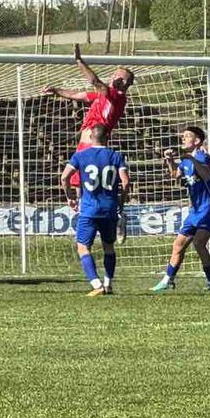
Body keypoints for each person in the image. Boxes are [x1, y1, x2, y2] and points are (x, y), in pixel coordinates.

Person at [42, 44, 135, 236]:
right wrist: (56, 90)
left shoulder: (116, 96)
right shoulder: (102, 96)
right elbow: (79, 95)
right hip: (84, 145)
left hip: (95, 146)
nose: (115, 79)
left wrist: (79, 61)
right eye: (115, 75)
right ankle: (95, 221)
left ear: (125, 84)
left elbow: (94, 81)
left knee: (91, 186)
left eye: (120, 78)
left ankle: (115, 217)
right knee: (80, 185)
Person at [59, 125, 130, 296]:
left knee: (83, 247)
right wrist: (121, 200)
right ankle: (108, 283)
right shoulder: (116, 156)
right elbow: (126, 182)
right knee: (109, 247)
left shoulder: (80, 156)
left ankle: (96, 284)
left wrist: (70, 196)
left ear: (91, 137)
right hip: (110, 209)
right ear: (108, 137)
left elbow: (64, 177)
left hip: (89, 210)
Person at [151, 126, 210, 293]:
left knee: (198, 243)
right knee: (178, 245)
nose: (182, 139)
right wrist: (169, 160)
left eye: (187, 136)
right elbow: (176, 175)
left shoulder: (201, 156)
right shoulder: (187, 159)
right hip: (196, 210)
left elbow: (206, 175)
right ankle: (168, 280)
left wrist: (191, 159)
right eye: (182, 136)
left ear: (197, 141)